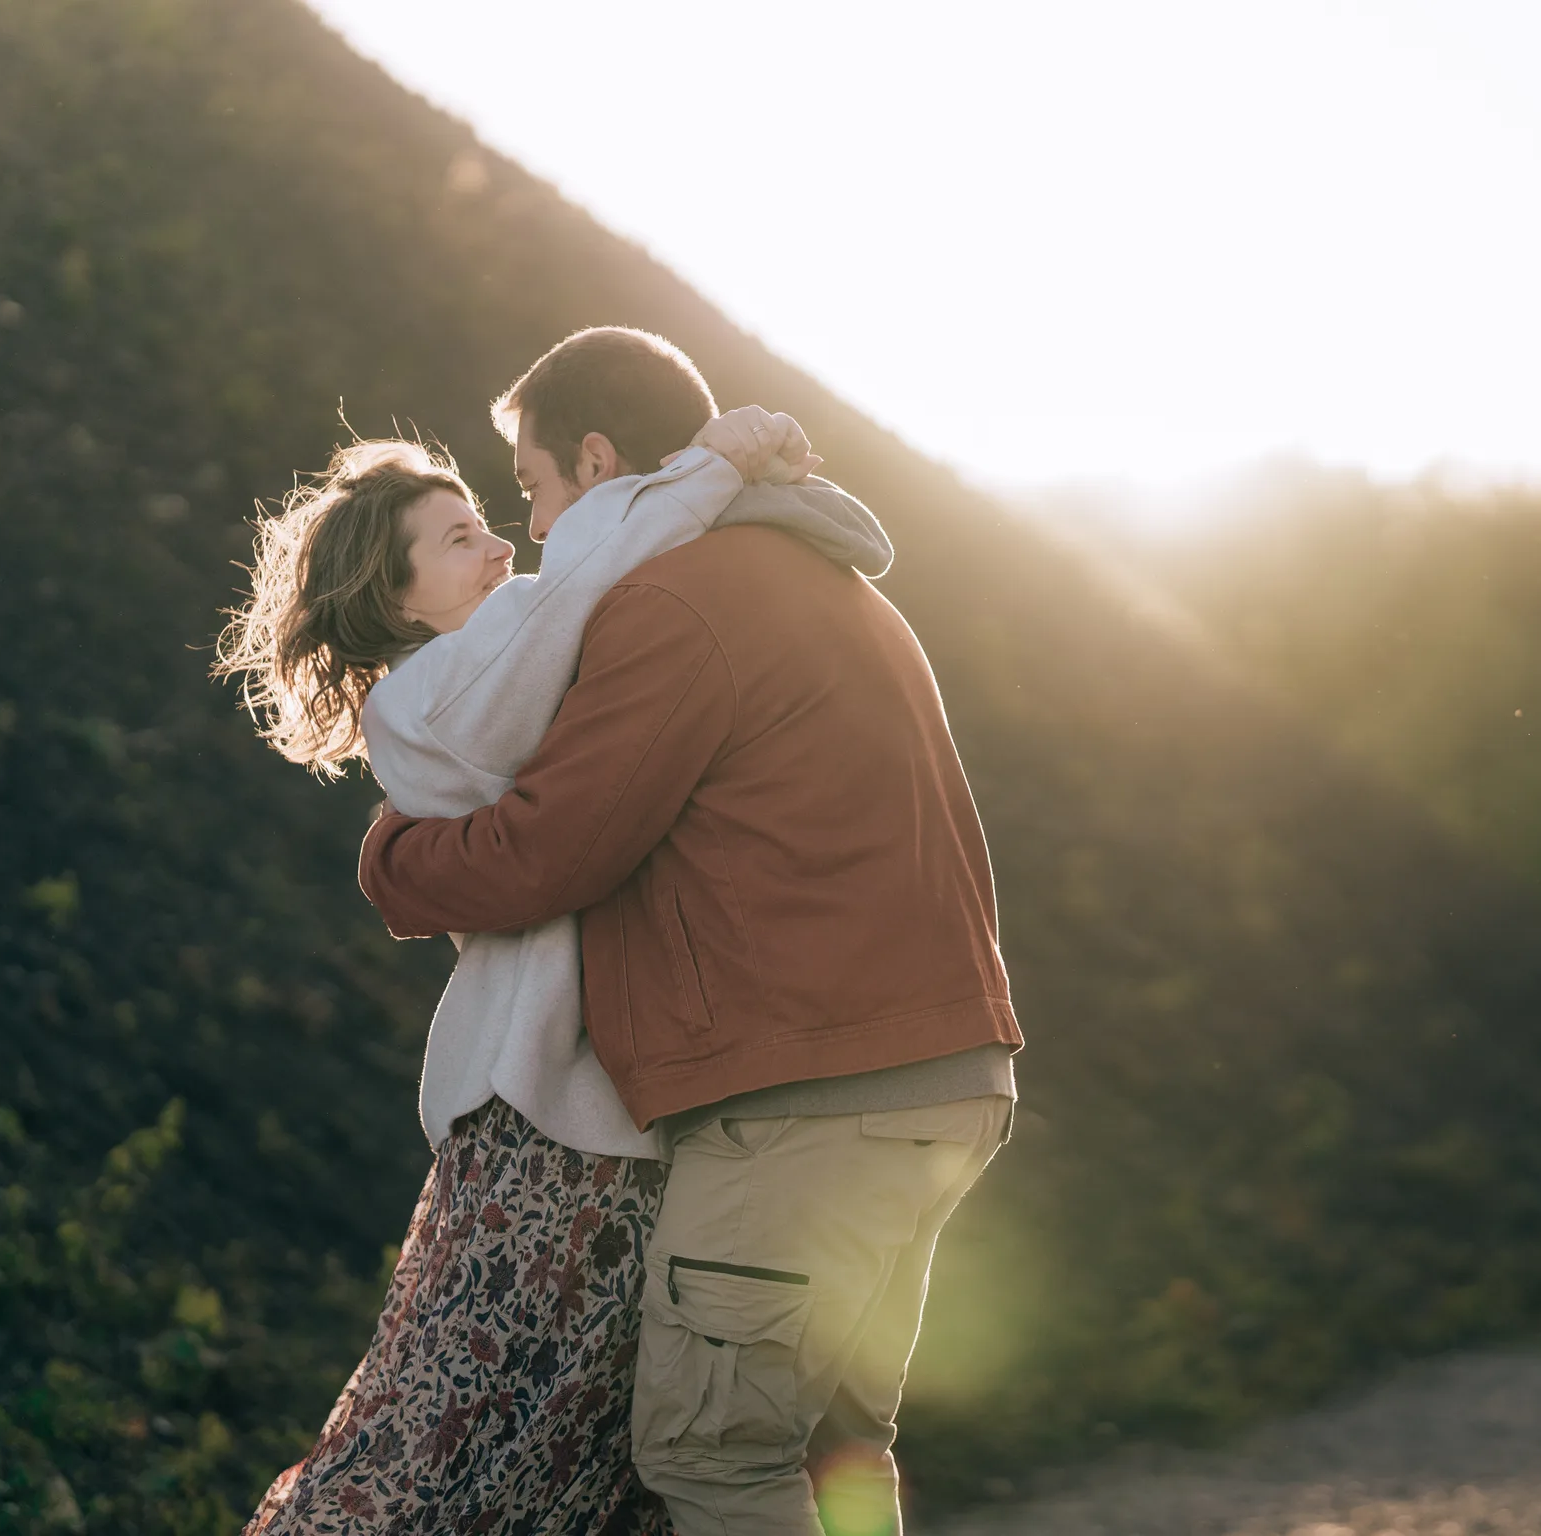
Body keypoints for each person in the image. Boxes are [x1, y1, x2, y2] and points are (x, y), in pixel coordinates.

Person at [359, 327, 1024, 1536]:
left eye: (536, 491)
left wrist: (396, 862)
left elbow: (554, 847)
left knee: (709, 1452)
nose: (537, 537)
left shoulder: (674, 599)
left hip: (812, 1099)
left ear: (599, 460)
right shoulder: (833, 584)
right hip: (942, 1078)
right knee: (832, 1450)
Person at [216, 393, 884, 1534]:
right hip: (540, 1126)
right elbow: (592, 577)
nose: (502, 544)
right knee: (445, 1430)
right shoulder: (434, 695)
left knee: (586, 1442)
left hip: (608, 1121)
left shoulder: (519, 642)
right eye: (459, 538)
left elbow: (632, 568)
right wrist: (716, 462)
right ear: (394, 599)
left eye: (489, 515)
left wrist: (768, 483)